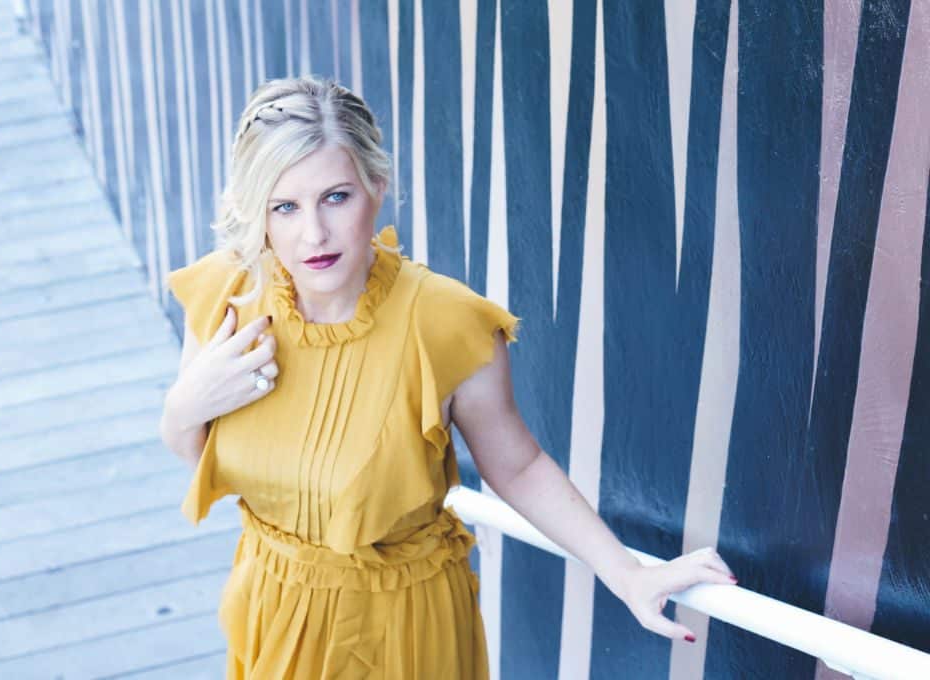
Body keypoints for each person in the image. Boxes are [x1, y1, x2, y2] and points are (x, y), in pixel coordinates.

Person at [159, 75, 736, 679]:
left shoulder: (444, 322)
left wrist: (628, 573)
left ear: (377, 186)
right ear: (259, 211)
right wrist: (185, 405)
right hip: (271, 604)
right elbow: (193, 448)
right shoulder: (229, 294)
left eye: (336, 197)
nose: (314, 234)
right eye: (286, 206)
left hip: (400, 627)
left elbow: (517, 466)